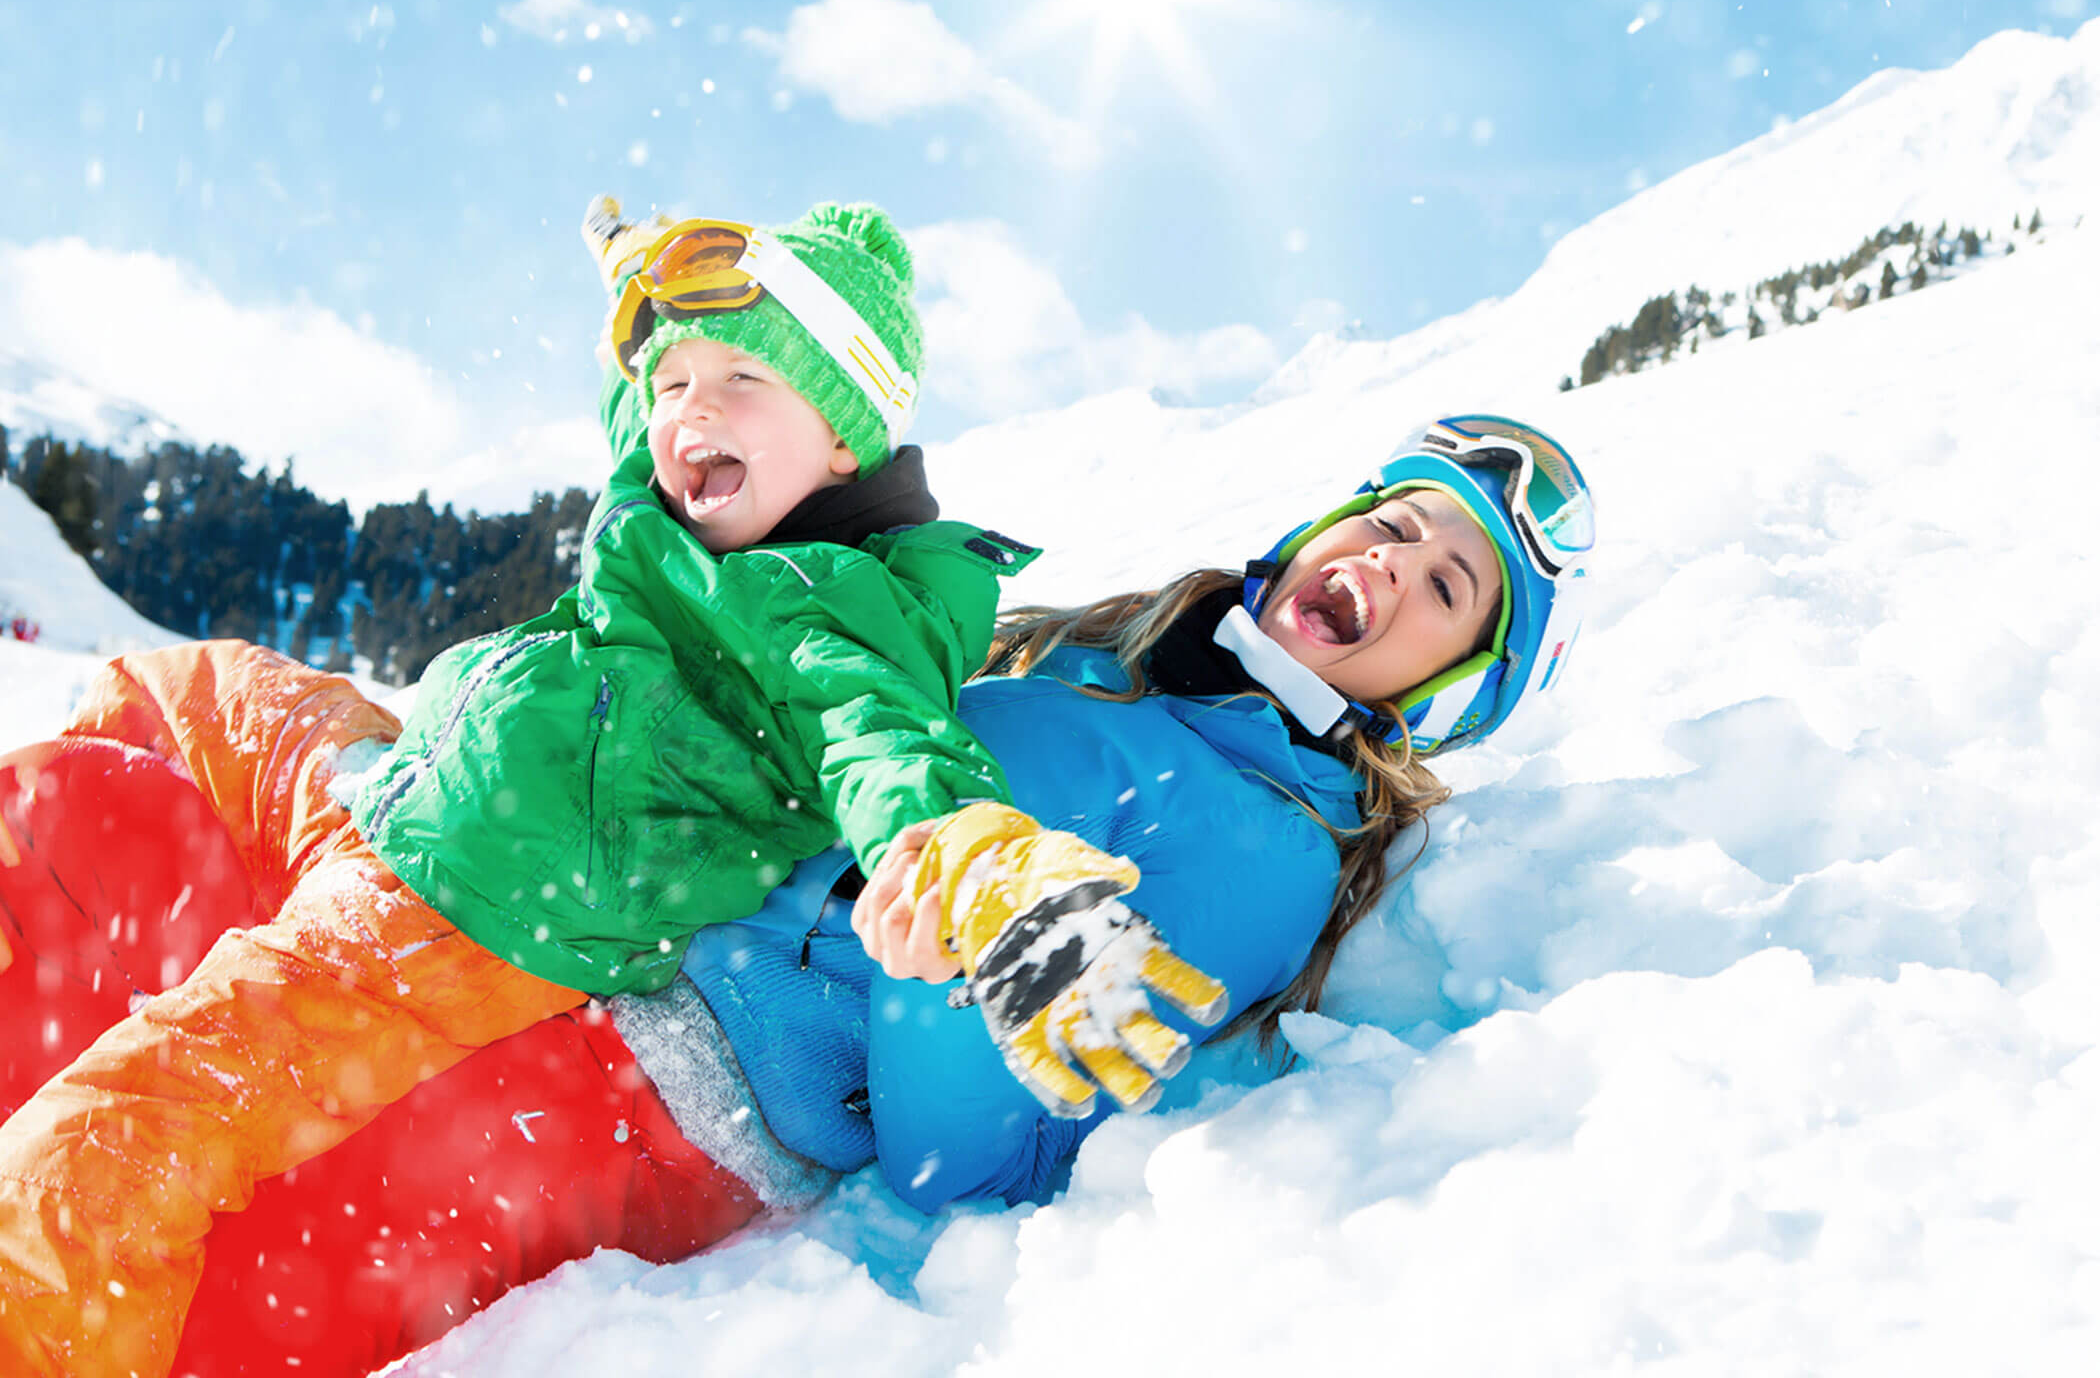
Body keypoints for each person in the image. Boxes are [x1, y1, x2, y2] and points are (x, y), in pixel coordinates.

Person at [1, 414, 1594, 1375]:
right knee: (104, 795)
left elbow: (978, 1152)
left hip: (639, 1081)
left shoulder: (1262, 843)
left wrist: (942, 955)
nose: (1389, 564)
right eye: (1390, 522)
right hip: (555, 883)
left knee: (181, 1277)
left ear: (1443, 685)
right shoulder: (1105, 653)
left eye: (1446, 585)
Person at [0, 199, 1224, 1377]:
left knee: (134, 1120)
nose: (691, 409)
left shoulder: (827, 608)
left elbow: (889, 750)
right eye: (675, 381)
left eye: (744, 378)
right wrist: (633, 290)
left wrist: (982, 864)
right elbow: (642, 402)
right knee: (187, 689)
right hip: (402, 810)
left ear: (848, 438)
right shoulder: (686, 502)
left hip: (455, 920)